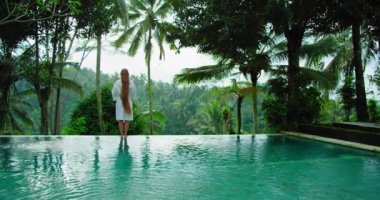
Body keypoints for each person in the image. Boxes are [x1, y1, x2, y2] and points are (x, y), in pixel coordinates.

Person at [112, 68, 135, 137]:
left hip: (120, 101)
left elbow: (114, 93)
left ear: (121, 75)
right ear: (128, 74)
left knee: (120, 119)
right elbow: (132, 93)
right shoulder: (131, 83)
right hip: (127, 101)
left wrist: (119, 96)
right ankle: (125, 134)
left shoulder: (117, 82)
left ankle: (122, 134)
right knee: (127, 119)